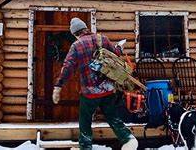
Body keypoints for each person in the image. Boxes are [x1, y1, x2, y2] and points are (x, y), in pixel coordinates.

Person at [52, 17, 138, 150]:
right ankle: (128, 138)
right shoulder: (102, 38)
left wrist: (58, 86)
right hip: (108, 88)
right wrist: (119, 47)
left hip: (90, 91)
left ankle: (85, 146)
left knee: (85, 118)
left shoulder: (77, 45)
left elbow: (68, 67)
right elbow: (115, 54)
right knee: (111, 115)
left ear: (74, 33)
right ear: (85, 28)